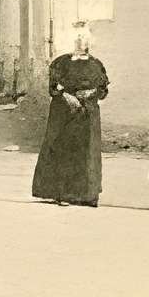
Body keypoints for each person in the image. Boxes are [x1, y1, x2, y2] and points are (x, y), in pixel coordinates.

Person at [31, 26, 110, 207]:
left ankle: (86, 195)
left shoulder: (96, 64)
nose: (80, 41)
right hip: (64, 112)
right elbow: (54, 87)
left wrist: (89, 95)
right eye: (78, 37)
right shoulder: (61, 63)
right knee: (63, 149)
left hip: (87, 115)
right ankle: (62, 193)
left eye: (84, 38)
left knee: (86, 152)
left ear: (89, 41)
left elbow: (102, 90)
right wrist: (69, 98)